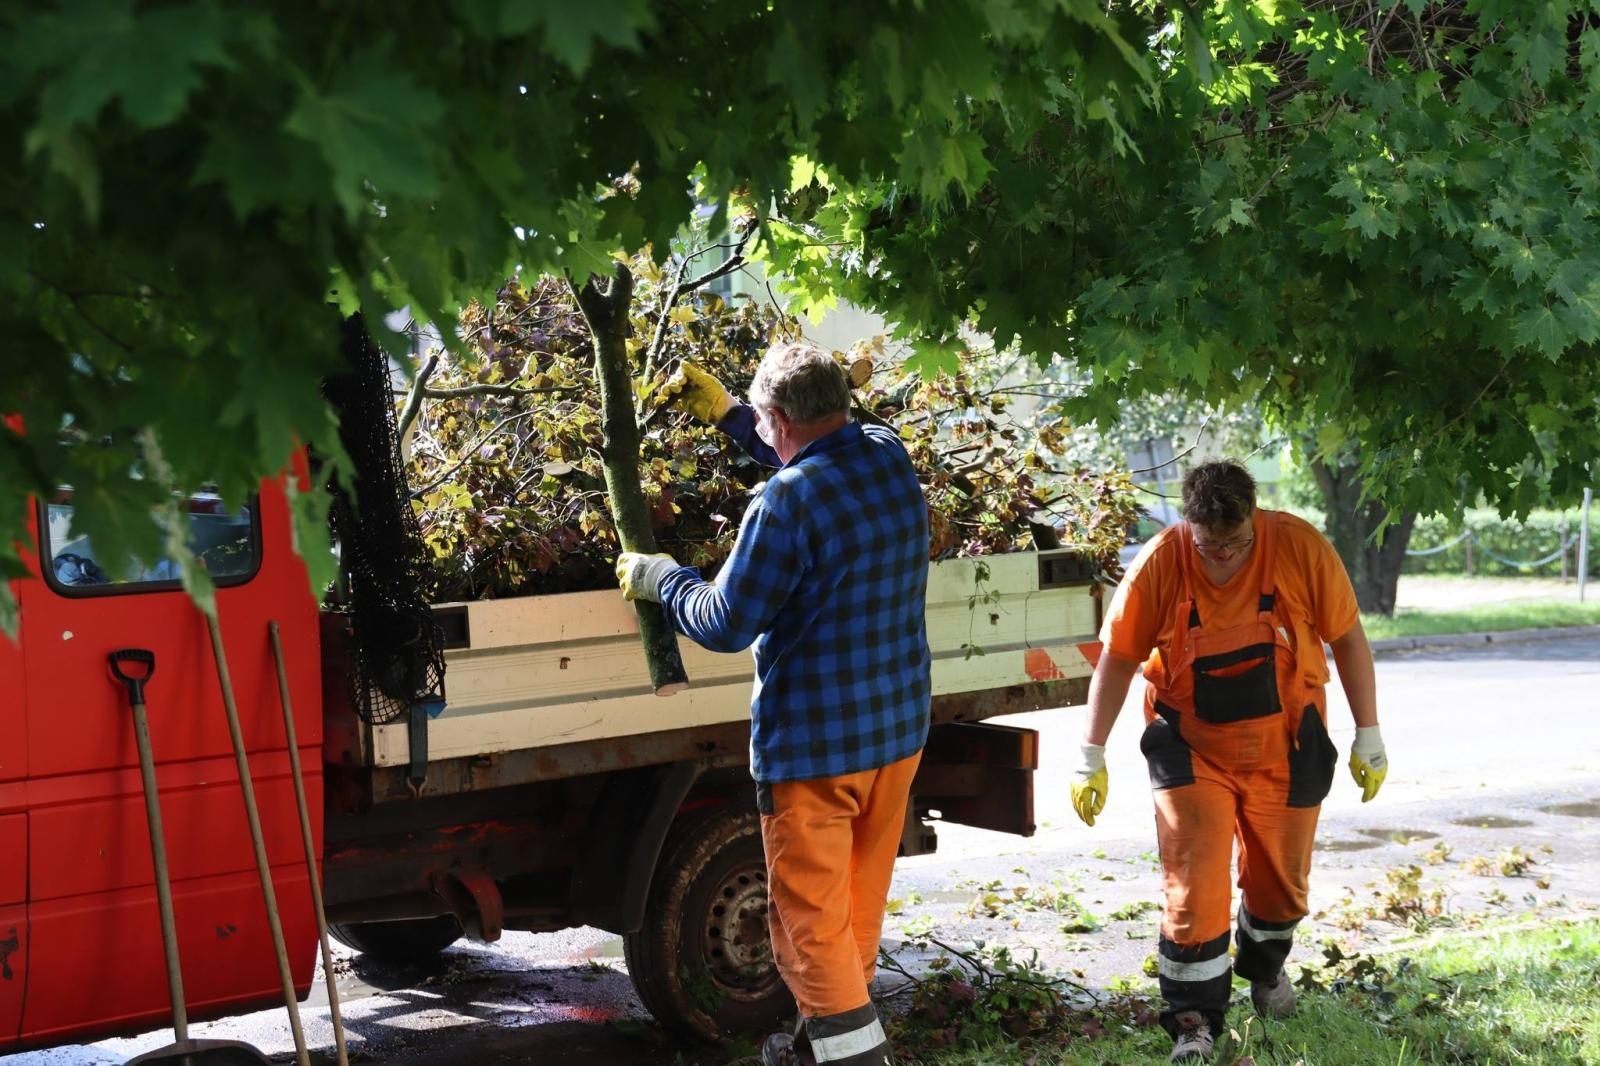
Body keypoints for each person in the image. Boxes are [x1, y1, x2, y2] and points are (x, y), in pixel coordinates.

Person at [617, 342, 930, 1066]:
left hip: (815, 753)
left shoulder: (783, 503)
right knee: (850, 914)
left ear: (780, 417)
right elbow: (819, 464)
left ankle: (855, 1059)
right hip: (896, 733)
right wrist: (731, 416)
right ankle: (811, 1048)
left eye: (761, 419)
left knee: (809, 931)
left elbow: (726, 621)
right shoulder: (887, 454)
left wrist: (663, 579)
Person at [1069, 460, 1389, 1062]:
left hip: (1289, 744)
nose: (1222, 557)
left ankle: (1264, 969)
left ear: (1254, 520)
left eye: (1235, 543)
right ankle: (1194, 1022)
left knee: (1281, 886)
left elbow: (1347, 637)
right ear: (1189, 526)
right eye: (1208, 545)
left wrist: (1367, 733)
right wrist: (1091, 751)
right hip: (1190, 748)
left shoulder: (1298, 546)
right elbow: (1117, 658)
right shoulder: (1163, 561)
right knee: (1194, 883)